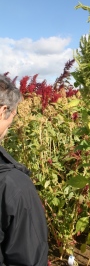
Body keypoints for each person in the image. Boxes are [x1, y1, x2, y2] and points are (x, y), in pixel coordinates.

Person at [0, 74, 48, 265]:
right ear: (3, 110)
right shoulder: (14, 186)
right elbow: (30, 258)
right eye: (14, 114)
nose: (12, 121)